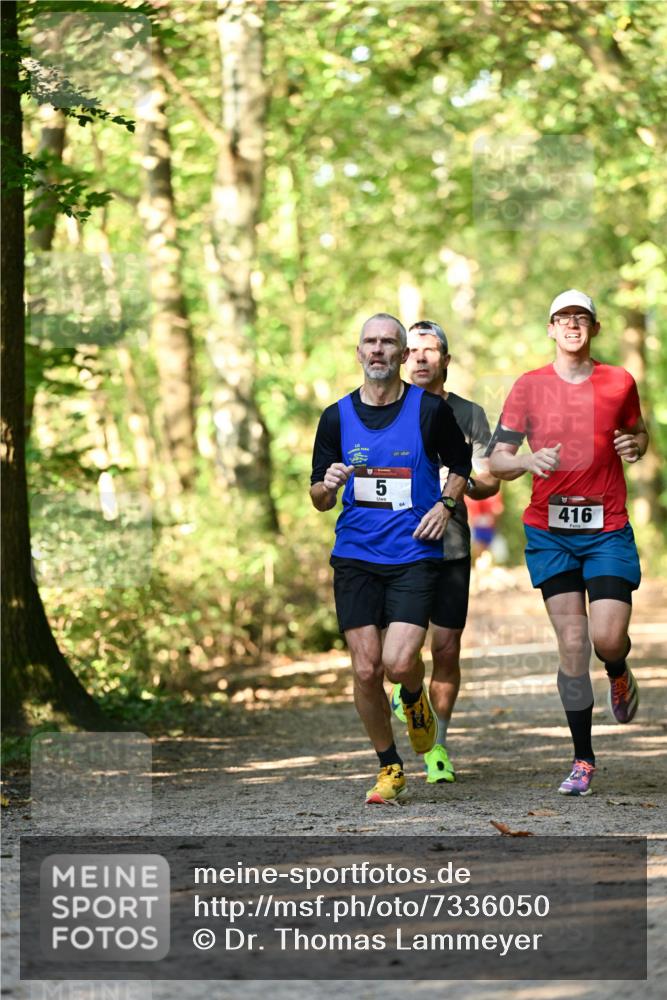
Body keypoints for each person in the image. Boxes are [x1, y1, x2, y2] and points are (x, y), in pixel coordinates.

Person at [488, 290, 648, 797]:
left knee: (605, 640)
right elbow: (496, 460)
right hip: (550, 532)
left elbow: (638, 434)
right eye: (563, 318)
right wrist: (526, 463)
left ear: (594, 329)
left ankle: (619, 669)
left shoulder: (619, 381)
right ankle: (583, 758)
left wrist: (635, 446)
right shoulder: (529, 387)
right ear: (551, 329)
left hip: (606, 529)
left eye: (581, 318)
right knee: (574, 646)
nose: (572, 325)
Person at [310, 313, 472, 805]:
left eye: (388, 343)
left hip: (412, 555)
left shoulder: (428, 411)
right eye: (369, 342)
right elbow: (318, 495)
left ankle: (415, 699)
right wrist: (328, 485)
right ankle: (390, 766)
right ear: (359, 353)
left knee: (400, 663)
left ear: (404, 356)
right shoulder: (336, 416)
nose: (378, 350)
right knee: (364, 670)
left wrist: (445, 507)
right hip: (355, 556)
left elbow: (461, 465)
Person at [390, 320, 500, 784]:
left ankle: (438, 746)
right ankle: (410, 692)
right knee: (401, 653)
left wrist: (458, 482)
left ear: (445, 360)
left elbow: (490, 479)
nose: (419, 357)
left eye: (429, 350)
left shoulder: (468, 413)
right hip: (394, 547)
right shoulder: (385, 409)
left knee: (447, 648)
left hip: (450, 548)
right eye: (411, 350)